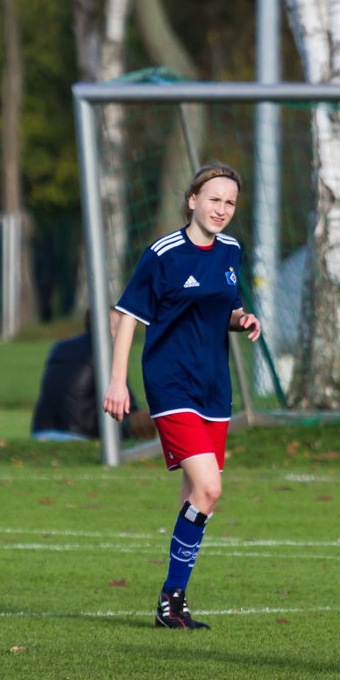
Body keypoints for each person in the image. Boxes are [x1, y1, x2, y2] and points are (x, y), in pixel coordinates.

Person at [103, 161, 262, 630]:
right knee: (210, 489)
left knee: (194, 493)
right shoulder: (163, 253)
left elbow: (227, 308)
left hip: (215, 385)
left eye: (230, 202)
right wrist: (117, 381)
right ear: (192, 200)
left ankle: (173, 605)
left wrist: (244, 320)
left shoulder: (231, 250)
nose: (222, 209)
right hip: (171, 383)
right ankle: (171, 597)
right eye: (214, 199)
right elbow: (126, 315)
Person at [31, 311, 153, 442]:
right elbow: (126, 403)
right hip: (80, 433)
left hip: (40, 430)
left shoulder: (59, 347)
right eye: (117, 327)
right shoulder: (106, 352)